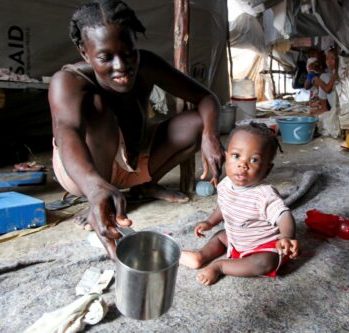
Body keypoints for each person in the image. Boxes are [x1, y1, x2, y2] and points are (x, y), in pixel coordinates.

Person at [48, 0, 225, 258]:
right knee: (98, 108)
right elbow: (67, 134)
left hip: (132, 160)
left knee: (198, 124)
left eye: (129, 52)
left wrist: (211, 136)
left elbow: (207, 98)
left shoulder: (147, 65)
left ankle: (143, 186)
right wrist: (93, 187)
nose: (121, 66)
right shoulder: (68, 82)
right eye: (105, 57)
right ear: (85, 53)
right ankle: (100, 197)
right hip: (83, 173)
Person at [180, 123, 300, 285]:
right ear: (226, 157)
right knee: (221, 236)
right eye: (236, 156)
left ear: (267, 169)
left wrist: (286, 237)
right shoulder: (225, 184)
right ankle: (201, 256)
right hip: (237, 239)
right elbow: (224, 206)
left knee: (265, 262)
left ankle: (221, 266)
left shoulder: (264, 194)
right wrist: (209, 222)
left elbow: (284, 215)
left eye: (254, 160)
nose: (243, 164)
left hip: (262, 245)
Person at [310, 47, 339, 114]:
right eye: (327, 59)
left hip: (337, 104)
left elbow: (328, 89)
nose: (329, 61)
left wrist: (318, 81)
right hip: (333, 103)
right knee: (323, 76)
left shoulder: (337, 72)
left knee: (323, 76)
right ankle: (323, 107)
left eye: (332, 58)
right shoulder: (332, 72)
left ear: (337, 60)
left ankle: (324, 108)